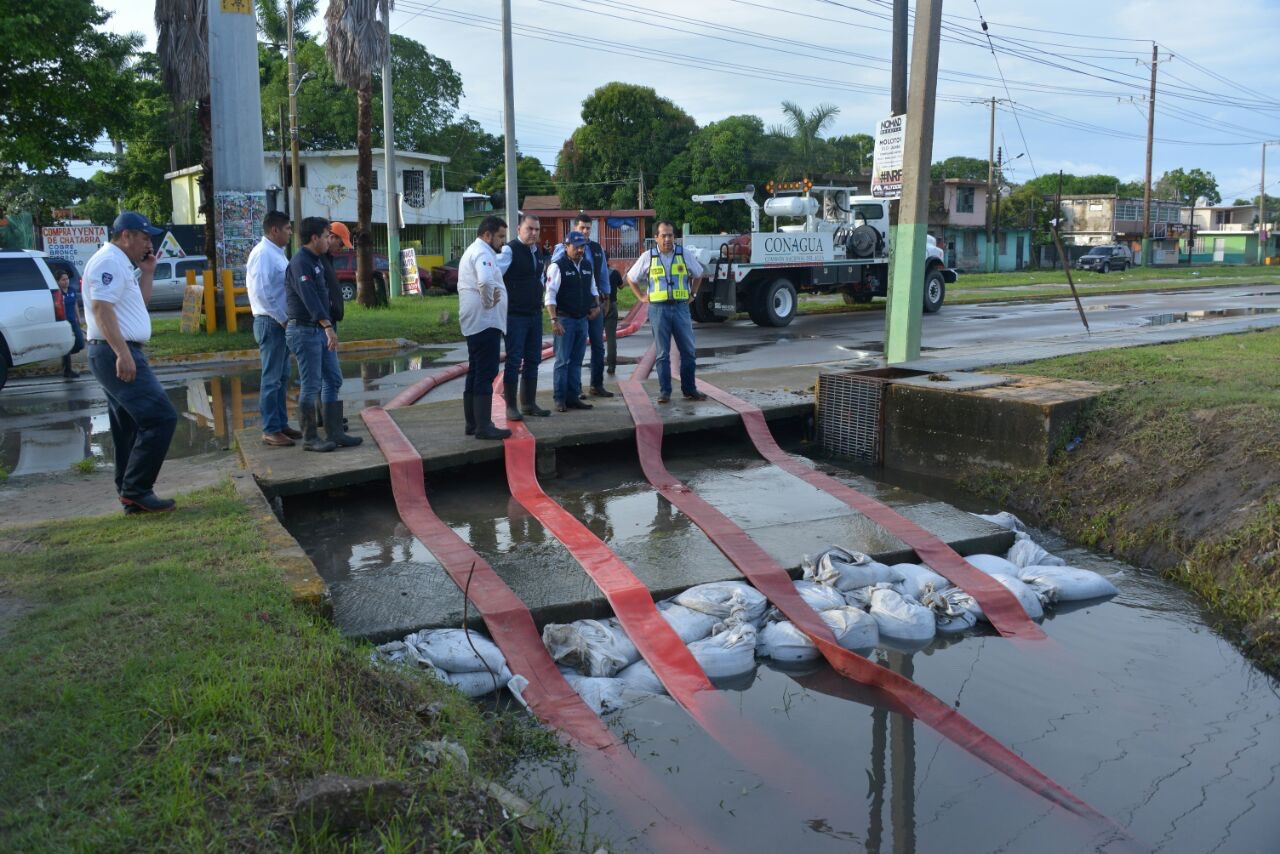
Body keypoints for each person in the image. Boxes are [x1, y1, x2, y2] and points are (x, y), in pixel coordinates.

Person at [84, 211, 179, 513]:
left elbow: (136, 306)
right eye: (144, 236)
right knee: (161, 418)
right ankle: (137, 489)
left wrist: (148, 272)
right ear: (126, 235)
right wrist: (123, 353)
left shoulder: (122, 263)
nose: (148, 243)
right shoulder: (109, 261)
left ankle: (130, 494)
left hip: (119, 348)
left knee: (128, 426)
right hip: (115, 350)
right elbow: (101, 308)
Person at [625, 220, 708, 404]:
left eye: (670, 235)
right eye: (663, 235)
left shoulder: (683, 254)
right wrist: (640, 296)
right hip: (658, 309)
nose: (668, 239)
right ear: (656, 237)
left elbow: (699, 273)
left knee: (688, 351)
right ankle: (665, 392)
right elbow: (631, 278)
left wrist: (693, 293)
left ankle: (689, 389)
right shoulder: (648, 256)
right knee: (662, 354)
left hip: (680, 308)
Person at [245, 210, 300, 446]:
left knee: (281, 376)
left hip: (279, 321)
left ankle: (280, 423)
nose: (290, 233)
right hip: (271, 321)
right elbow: (263, 292)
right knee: (271, 378)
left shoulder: (276, 253)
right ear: (275, 230)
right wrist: (283, 319)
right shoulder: (263, 254)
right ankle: (270, 429)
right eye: (287, 228)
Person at [284, 216, 338, 452]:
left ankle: (335, 432)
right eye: (326, 236)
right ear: (314, 238)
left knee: (333, 378)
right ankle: (310, 437)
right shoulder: (300, 262)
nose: (329, 240)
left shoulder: (316, 261)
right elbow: (310, 298)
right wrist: (327, 326)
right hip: (305, 330)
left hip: (318, 329)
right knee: (311, 385)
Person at [457, 215, 511, 440]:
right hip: (484, 321)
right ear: (487, 235)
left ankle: (473, 423)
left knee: (475, 370)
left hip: (476, 321)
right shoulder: (482, 252)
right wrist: (489, 301)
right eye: (500, 237)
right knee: (486, 372)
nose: (502, 242)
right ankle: (483, 426)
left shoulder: (476, 250)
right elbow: (486, 280)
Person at [552, 214, 613, 397]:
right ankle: (574, 390)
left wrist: (605, 300)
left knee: (598, 347)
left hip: (593, 306)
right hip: (569, 309)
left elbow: (602, 275)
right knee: (570, 352)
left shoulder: (595, 249)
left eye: (588, 228)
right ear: (574, 228)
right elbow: (551, 276)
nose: (585, 231)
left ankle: (597, 384)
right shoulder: (561, 248)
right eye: (582, 228)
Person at [498, 213, 550, 420]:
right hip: (514, 316)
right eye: (530, 228)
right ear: (519, 228)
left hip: (534, 314)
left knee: (533, 359)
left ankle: (529, 403)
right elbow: (494, 276)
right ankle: (511, 406)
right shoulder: (509, 250)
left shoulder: (537, 252)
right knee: (514, 360)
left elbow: (539, 278)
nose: (534, 233)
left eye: (537, 229)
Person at [315, 221, 361, 447]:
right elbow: (315, 298)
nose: (340, 248)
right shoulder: (316, 262)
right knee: (331, 378)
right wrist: (327, 326)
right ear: (328, 237)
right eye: (338, 243)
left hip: (330, 323)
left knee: (325, 378)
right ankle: (330, 426)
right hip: (324, 326)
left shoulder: (327, 260)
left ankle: (328, 419)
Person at [546, 231, 600, 412]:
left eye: (582, 246)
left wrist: (596, 305)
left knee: (576, 361)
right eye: (576, 246)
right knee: (562, 361)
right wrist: (554, 320)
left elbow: (593, 289)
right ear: (566, 246)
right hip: (564, 319)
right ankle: (559, 399)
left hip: (581, 319)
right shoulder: (557, 266)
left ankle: (573, 397)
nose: (579, 250)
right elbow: (550, 295)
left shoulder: (586, 265)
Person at [57, 270, 84, 378]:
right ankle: (67, 369)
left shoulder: (72, 290)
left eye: (67, 279)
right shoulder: (58, 293)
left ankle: (64, 356)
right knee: (67, 346)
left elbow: (75, 305)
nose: (66, 281)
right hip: (64, 322)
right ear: (58, 281)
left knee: (80, 343)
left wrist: (78, 318)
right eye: (63, 279)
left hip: (73, 321)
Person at [605, 268, 622, 374]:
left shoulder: (593, 271)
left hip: (597, 306)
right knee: (611, 338)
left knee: (596, 339)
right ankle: (611, 365)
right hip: (612, 305)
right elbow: (621, 286)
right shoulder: (615, 272)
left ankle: (596, 364)